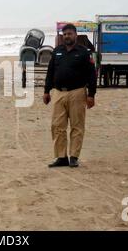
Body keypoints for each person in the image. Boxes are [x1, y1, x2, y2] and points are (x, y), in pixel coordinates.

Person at [43, 24, 96, 168]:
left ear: (75, 35)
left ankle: (73, 157)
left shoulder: (84, 52)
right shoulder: (57, 51)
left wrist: (91, 94)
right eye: (64, 34)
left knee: (77, 126)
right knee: (57, 126)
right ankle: (61, 157)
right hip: (58, 93)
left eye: (70, 34)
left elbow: (92, 74)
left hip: (77, 93)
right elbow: (50, 72)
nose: (67, 36)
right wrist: (46, 91)